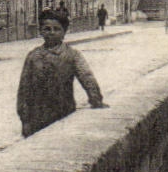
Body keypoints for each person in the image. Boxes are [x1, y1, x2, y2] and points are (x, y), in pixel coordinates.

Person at [17, 9, 107, 137]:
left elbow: (86, 77)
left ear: (64, 32)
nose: (52, 33)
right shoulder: (33, 56)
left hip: (64, 113)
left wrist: (96, 99)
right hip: (37, 118)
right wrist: (25, 120)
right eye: (47, 29)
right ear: (41, 31)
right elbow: (24, 90)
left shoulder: (72, 55)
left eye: (57, 29)